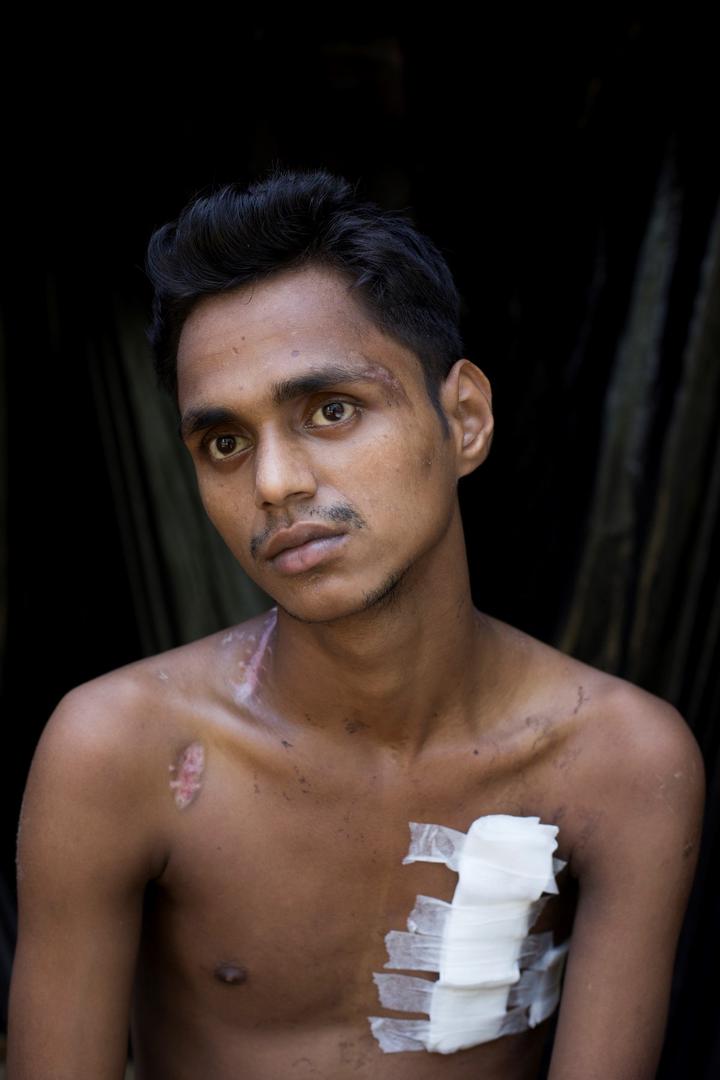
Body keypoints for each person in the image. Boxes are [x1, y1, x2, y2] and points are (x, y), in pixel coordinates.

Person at [7, 167, 705, 1079]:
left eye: (330, 411)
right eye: (225, 442)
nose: (274, 483)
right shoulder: (121, 753)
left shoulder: (617, 763)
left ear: (465, 419)